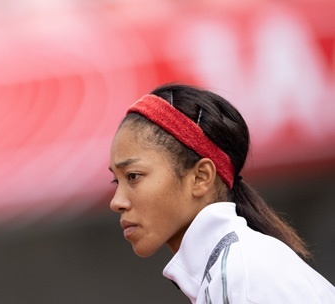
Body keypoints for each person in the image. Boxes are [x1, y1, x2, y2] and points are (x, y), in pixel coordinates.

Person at [108, 82, 335, 303]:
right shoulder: (228, 270)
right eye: (115, 180)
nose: (116, 202)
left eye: (133, 176)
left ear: (201, 177)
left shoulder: (239, 274)